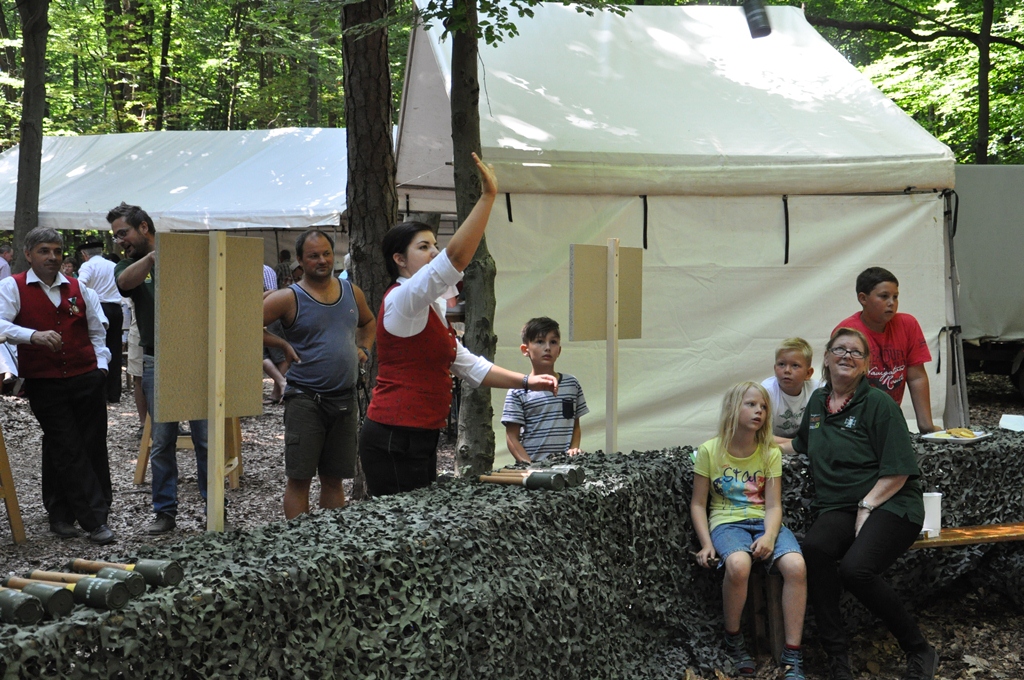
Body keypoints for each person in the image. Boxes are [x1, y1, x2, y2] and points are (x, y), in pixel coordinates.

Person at [358, 153, 559, 497]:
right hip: (393, 435)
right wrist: (488, 197)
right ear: (399, 259)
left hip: (418, 435)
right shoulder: (402, 299)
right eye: (424, 247)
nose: (434, 252)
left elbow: (468, 365)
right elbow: (455, 259)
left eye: (435, 245)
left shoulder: (430, 306)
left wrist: (528, 381)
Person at [786, 327, 937, 680]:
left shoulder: (879, 404)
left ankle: (919, 649)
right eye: (840, 349)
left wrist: (867, 506)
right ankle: (837, 656)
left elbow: (899, 471)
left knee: (856, 570)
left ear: (866, 364)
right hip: (839, 506)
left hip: (891, 503)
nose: (847, 356)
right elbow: (796, 445)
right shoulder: (817, 403)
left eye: (856, 352)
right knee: (816, 549)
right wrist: (746, 445)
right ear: (826, 358)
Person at [0, 227, 115, 544]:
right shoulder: (12, 287)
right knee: (66, 444)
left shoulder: (79, 288)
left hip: (87, 376)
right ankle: (95, 520)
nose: (52, 257)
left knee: (87, 444)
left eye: (56, 251)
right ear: (28, 254)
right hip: (44, 381)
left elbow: (97, 332)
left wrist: (101, 368)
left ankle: (60, 513)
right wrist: (31, 335)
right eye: (44, 251)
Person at [691, 381, 807, 680]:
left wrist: (769, 536)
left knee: (796, 566)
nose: (759, 411)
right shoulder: (709, 450)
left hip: (763, 521)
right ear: (733, 408)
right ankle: (734, 639)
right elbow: (698, 504)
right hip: (727, 522)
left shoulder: (770, 453)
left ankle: (792, 654)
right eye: (751, 404)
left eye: (764, 406)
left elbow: (774, 505)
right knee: (738, 565)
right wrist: (706, 544)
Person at [110, 202, 209, 535]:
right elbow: (125, 282)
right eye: (116, 235)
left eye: (123, 233)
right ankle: (165, 512)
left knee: (205, 439)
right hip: (157, 358)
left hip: (195, 356)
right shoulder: (129, 263)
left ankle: (214, 507)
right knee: (163, 440)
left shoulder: (183, 255)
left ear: (144, 227)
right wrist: (152, 259)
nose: (119, 240)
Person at [263, 229, 376, 519]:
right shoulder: (288, 297)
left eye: (326, 253)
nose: (322, 260)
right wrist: (282, 345)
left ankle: (330, 541)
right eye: (313, 256)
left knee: (334, 479)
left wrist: (363, 347)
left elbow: (368, 322)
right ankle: (299, 541)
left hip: (344, 400)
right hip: (305, 400)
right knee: (299, 479)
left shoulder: (351, 292)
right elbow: (242, 324)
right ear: (300, 261)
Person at [834, 267, 936, 433]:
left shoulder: (908, 325)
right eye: (884, 296)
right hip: (853, 423)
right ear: (863, 298)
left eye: (895, 297)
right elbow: (840, 386)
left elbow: (917, 377)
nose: (891, 303)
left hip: (889, 418)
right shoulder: (848, 332)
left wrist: (927, 426)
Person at [502, 316, 589, 463]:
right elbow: (511, 437)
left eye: (553, 342)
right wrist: (529, 467)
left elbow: (575, 426)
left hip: (565, 468)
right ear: (525, 349)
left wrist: (574, 449)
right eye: (540, 341)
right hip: (533, 468)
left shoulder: (571, 384)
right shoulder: (517, 390)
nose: (547, 347)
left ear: (559, 350)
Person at [77, 241, 124, 403]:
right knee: (115, 349)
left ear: (85, 254)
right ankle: (114, 393)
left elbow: (80, 285)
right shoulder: (113, 266)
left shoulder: (88, 266)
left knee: (97, 348)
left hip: (98, 308)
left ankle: (100, 391)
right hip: (116, 309)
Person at [761, 337, 821, 444]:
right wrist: (797, 445)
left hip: (805, 445)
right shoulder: (766, 391)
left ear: (808, 373)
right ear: (775, 369)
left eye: (795, 365)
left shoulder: (818, 390)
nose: (787, 370)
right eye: (781, 364)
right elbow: (760, 435)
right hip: (775, 446)